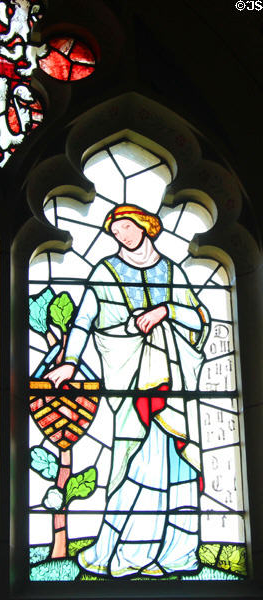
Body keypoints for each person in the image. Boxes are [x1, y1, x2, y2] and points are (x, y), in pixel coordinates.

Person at [46, 204, 210, 578]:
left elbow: (199, 318)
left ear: (146, 226)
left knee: (178, 466)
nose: (121, 236)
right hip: (131, 379)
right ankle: (127, 551)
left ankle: (177, 553)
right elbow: (84, 319)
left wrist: (165, 310)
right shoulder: (105, 271)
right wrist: (70, 361)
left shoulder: (172, 270)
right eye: (115, 231)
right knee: (133, 460)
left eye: (126, 228)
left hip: (173, 384)